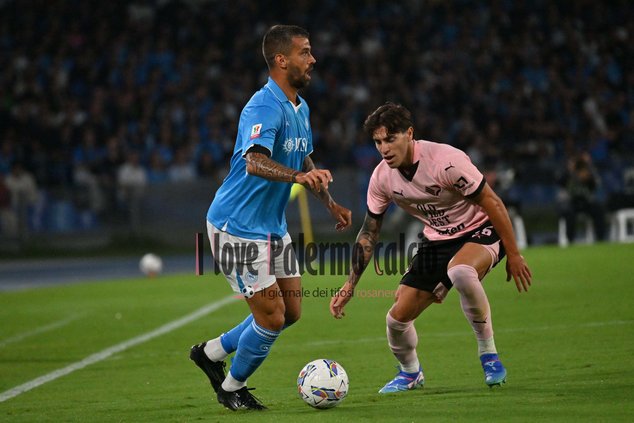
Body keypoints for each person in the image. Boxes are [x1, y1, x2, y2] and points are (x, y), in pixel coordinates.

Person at [189, 25, 352, 411]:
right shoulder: (263, 106)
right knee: (271, 317)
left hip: (271, 227)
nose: (313, 59)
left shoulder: (300, 107)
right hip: (237, 227)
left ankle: (210, 353)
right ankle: (232, 387)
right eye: (305, 52)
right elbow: (254, 161)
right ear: (281, 60)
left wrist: (329, 203)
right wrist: (297, 178)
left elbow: (304, 158)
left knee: (290, 312)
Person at [329, 103, 532, 393]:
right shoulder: (382, 177)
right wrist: (350, 284)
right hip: (437, 240)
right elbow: (369, 232)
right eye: (378, 142)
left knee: (461, 272)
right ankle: (410, 373)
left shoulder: (446, 161)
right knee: (396, 320)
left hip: (480, 228)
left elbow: (493, 202)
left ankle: (488, 354)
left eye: (390, 139)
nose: (384, 149)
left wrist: (513, 254)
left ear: (410, 134)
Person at [558, 152, 607, 242]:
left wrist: (589, 173)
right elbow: (560, 182)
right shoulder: (567, 174)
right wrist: (570, 171)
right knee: (569, 213)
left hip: (586, 201)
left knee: (598, 209)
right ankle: (570, 240)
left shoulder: (588, 173)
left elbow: (595, 186)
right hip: (571, 202)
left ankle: (600, 239)